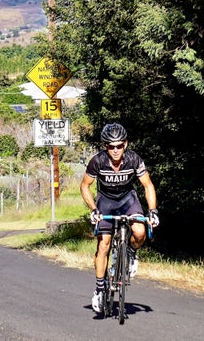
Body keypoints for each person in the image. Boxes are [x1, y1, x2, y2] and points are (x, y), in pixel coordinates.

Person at [80, 123, 160, 313]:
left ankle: (131, 252)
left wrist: (153, 210)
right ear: (105, 146)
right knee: (104, 244)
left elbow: (147, 185)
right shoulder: (97, 161)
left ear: (126, 144)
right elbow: (85, 186)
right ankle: (100, 288)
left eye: (119, 146)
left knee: (140, 233)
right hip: (106, 201)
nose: (115, 150)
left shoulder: (134, 159)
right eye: (110, 146)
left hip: (127, 200)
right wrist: (93, 209)